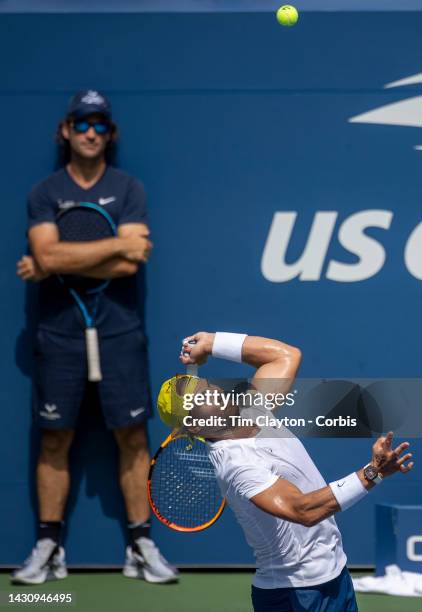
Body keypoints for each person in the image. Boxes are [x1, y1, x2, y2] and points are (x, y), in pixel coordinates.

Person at [14, 90, 178, 585]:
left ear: (110, 133)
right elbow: (49, 256)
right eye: (82, 123)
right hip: (58, 333)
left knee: (131, 435)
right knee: (55, 438)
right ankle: (48, 545)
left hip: (120, 330)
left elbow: (131, 262)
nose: (90, 132)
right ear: (66, 131)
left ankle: (140, 545)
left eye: (100, 124)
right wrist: (111, 247)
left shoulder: (129, 188)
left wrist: (58, 257)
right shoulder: (45, 192)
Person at [159, 331, 414, 611]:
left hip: (334, 575)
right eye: (203, 398)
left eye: (207, 386)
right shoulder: (238, 465)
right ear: (194, 427)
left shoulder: (252, 410)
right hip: (296, 594)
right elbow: (303, 510)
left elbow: (285, 355)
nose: (216, 392)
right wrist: (372, 473)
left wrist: (212, 342)